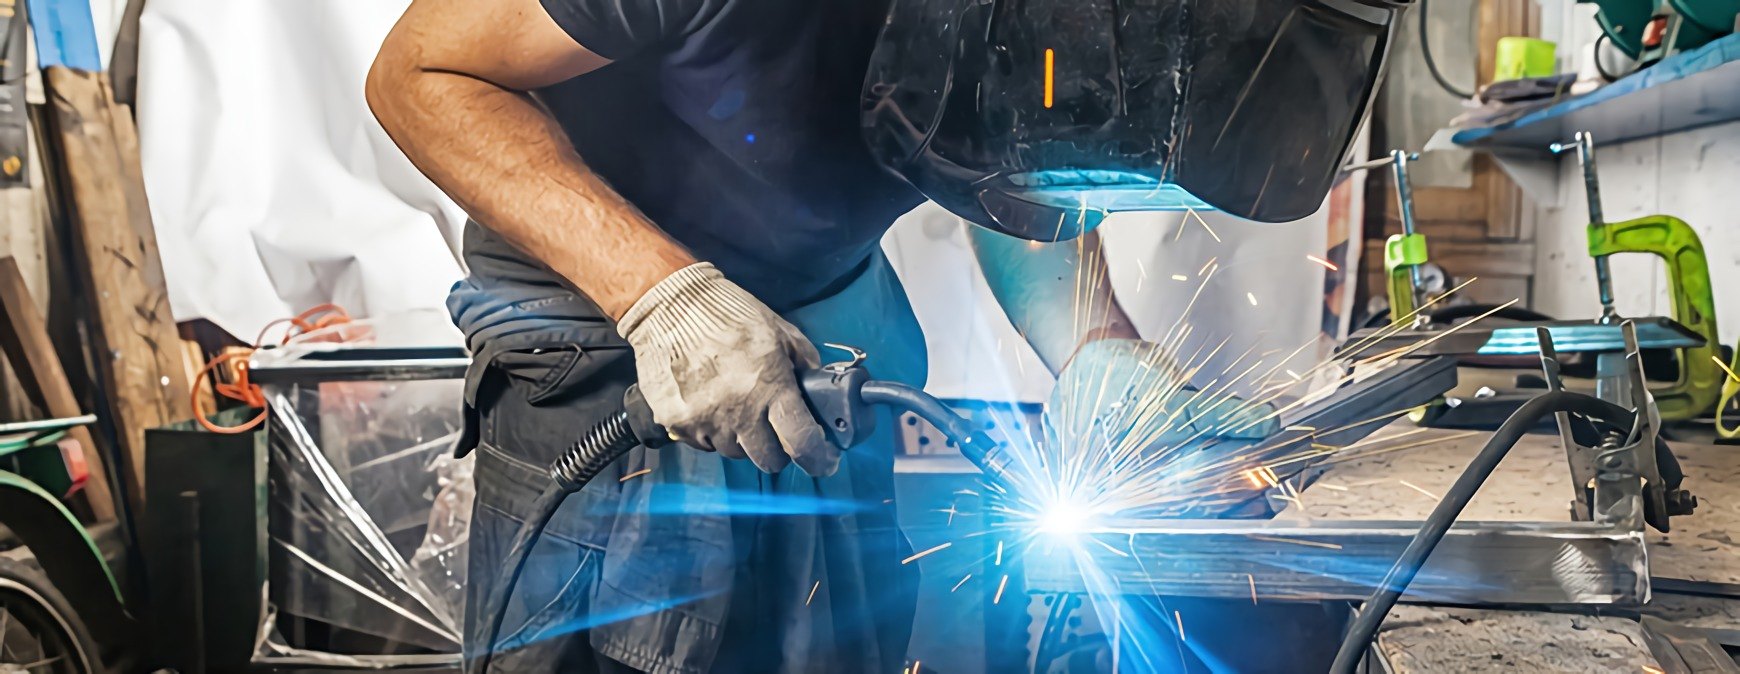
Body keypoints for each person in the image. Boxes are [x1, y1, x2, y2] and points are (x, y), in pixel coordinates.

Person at [367, 0, 1399, 671]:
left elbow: (1015, 174)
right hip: (605, 358)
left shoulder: (1031, 34)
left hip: (818, 346)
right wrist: (660, 292)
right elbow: (420, 76)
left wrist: (1097, 345)